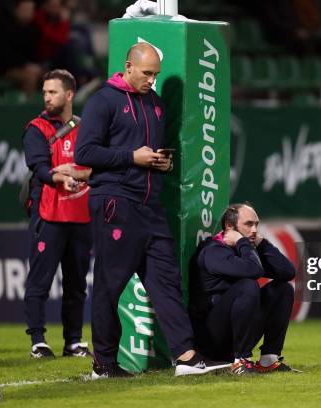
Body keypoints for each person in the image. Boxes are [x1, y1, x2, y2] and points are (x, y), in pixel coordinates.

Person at [74, 43, 231, 378]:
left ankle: (186, 358)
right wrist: (133, 157)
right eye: (146, 73)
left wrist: (158, 161)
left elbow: (142, 153)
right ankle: (104, 364)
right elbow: (85, 153)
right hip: (116, 203)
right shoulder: (103, 102)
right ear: (128, 66)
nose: (151, 80)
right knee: (108, 285)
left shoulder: (156, 105)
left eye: (156, 75)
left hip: (150, 207)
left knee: (166, 283)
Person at [22, 69, 93, 359]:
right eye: (45, 92)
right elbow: (37, 166)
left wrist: (81, 173)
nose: (47, 97)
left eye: (53, 92)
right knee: (40, 282)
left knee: (76, 286)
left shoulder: (85, 128)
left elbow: (97, 163)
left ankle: (73, 342)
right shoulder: (37, 128)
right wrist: (58, 178)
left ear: (70, 95)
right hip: (49, 215)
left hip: (81, 217)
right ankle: (38, 340)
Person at [188, 203, 298, 375]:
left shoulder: (246, 249)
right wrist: (241, 242)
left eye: (256, 224)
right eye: (248, 224)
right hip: (211, 339)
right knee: (247, 285)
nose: (254, 230)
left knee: (283, 289)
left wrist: (262, 244)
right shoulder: (213, 250)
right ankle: (241, 362)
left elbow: (288, 272)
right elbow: (253, 271)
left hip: (238, 332)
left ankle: (268, 359)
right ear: (229, 227)